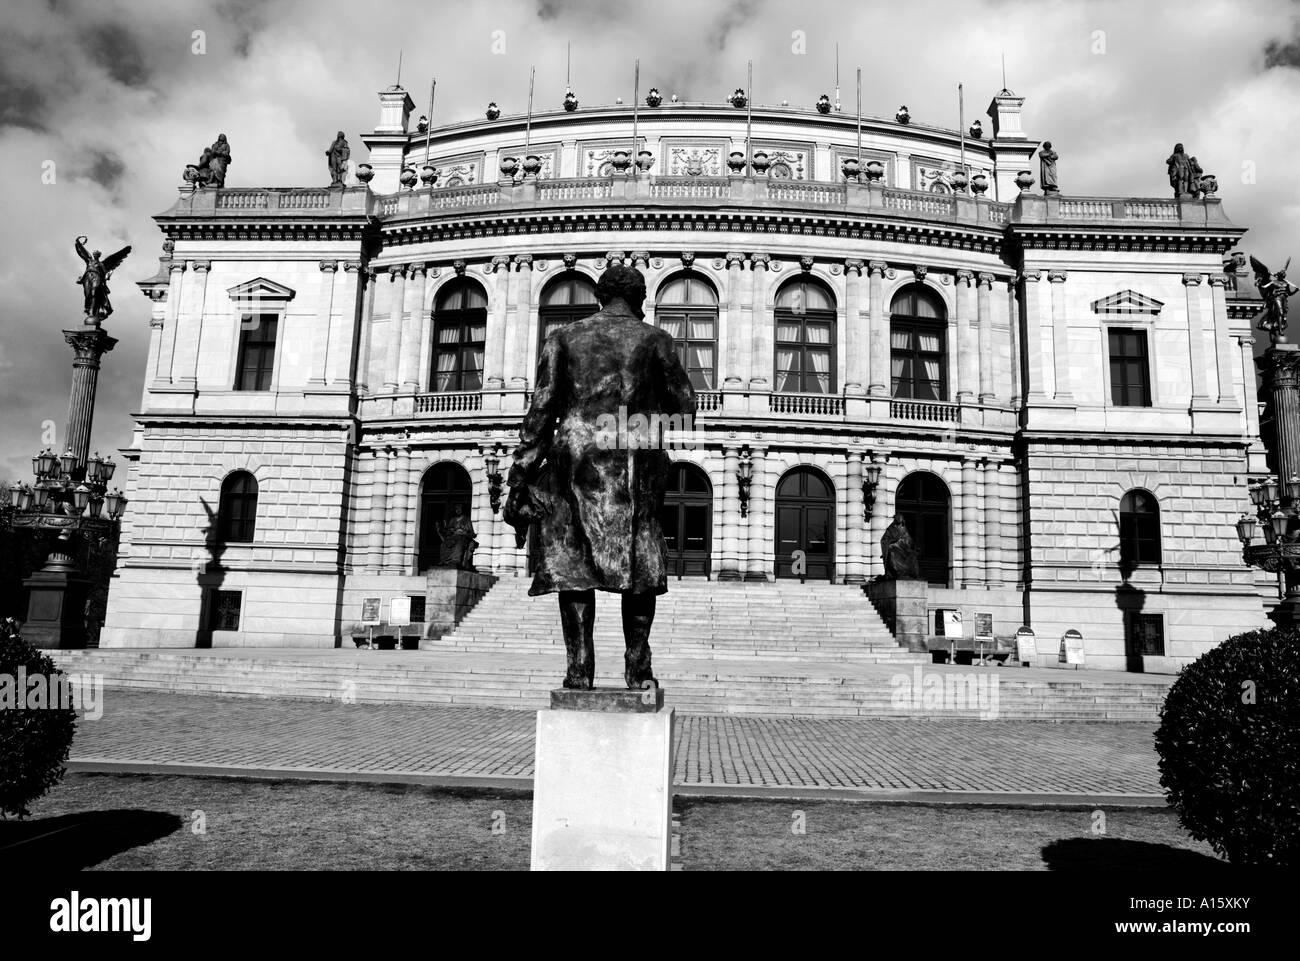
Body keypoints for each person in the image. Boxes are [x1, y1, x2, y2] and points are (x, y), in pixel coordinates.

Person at [503, 264, 696, 690]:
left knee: (574, 566)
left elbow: (541, 409)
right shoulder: (655, 339)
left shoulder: (563, 338)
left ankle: (578, 670)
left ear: (599, 296)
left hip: (575, 459)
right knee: (641, 565)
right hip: (636, 460)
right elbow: (686, 405)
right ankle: (638, 670)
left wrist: (519, 472)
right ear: (640, 298)